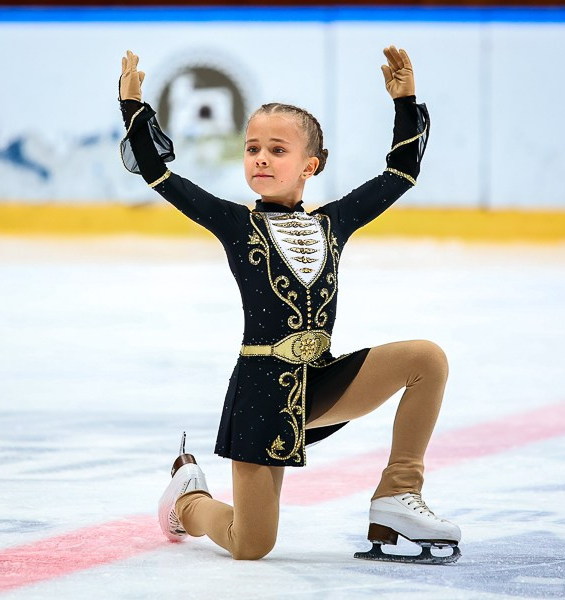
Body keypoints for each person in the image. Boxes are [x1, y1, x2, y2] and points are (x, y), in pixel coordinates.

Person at [118, 46, 461, 564]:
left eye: (277, 150)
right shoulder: (236, 223)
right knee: (251, 544)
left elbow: (401, 174)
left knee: (426, 359)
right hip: (260, 394)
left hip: (320, 381)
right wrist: (132, 107)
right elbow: (158, 175)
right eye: (253, 147)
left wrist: (405, 102)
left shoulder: (333, 222)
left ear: (310, 166)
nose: (261, 157)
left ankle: (397, 493)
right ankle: (188, 499)